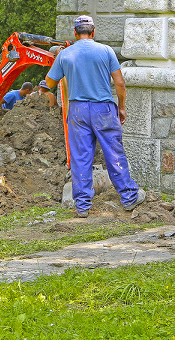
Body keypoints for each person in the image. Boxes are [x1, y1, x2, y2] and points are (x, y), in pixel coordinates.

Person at [45, 14, 145, 217]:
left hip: (78, 110)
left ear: (75, 33)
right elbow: (120, 83)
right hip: (103, 109)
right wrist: (122, 107)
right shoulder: (106, 51)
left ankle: (82, 205)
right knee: (113, 152)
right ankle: (128, 197)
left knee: (81, 156)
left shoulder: (65, 55)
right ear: (93, 32)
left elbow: (49, 83)